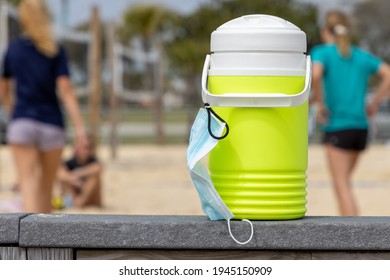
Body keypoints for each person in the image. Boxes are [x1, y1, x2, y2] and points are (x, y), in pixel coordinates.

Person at [0, 0, 87, 213]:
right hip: (51, 124)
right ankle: (43, 244)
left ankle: (30, 245)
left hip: (23, 123)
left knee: (28, 187)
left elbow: (3, 90)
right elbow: (66, 90)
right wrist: (79, 128)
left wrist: (14, 114)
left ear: (24, 18)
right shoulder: (55, 50)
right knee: (46, 192)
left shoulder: (14, 49)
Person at [311, 10, 390, 216]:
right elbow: (387, 75)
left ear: (324, 30)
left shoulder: (322, 52)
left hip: (338, 126)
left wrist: (319, 103)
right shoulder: (360, 55)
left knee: (342, 187)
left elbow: (316, 75)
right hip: (360, 128)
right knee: (346, 184)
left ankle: (353, 240)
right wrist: (373, 104)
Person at [56, 134, 102, 208]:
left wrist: (78, 173)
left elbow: (99, 167)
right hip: (74, 196)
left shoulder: (92, 161)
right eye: (81, 147)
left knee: (95, 178)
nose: (83, 150)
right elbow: (59, 173)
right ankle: (76, 202)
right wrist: (71, 178)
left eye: (86, 147)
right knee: (63, 178)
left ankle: (79, 202)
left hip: (89, 199)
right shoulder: (70, 163)